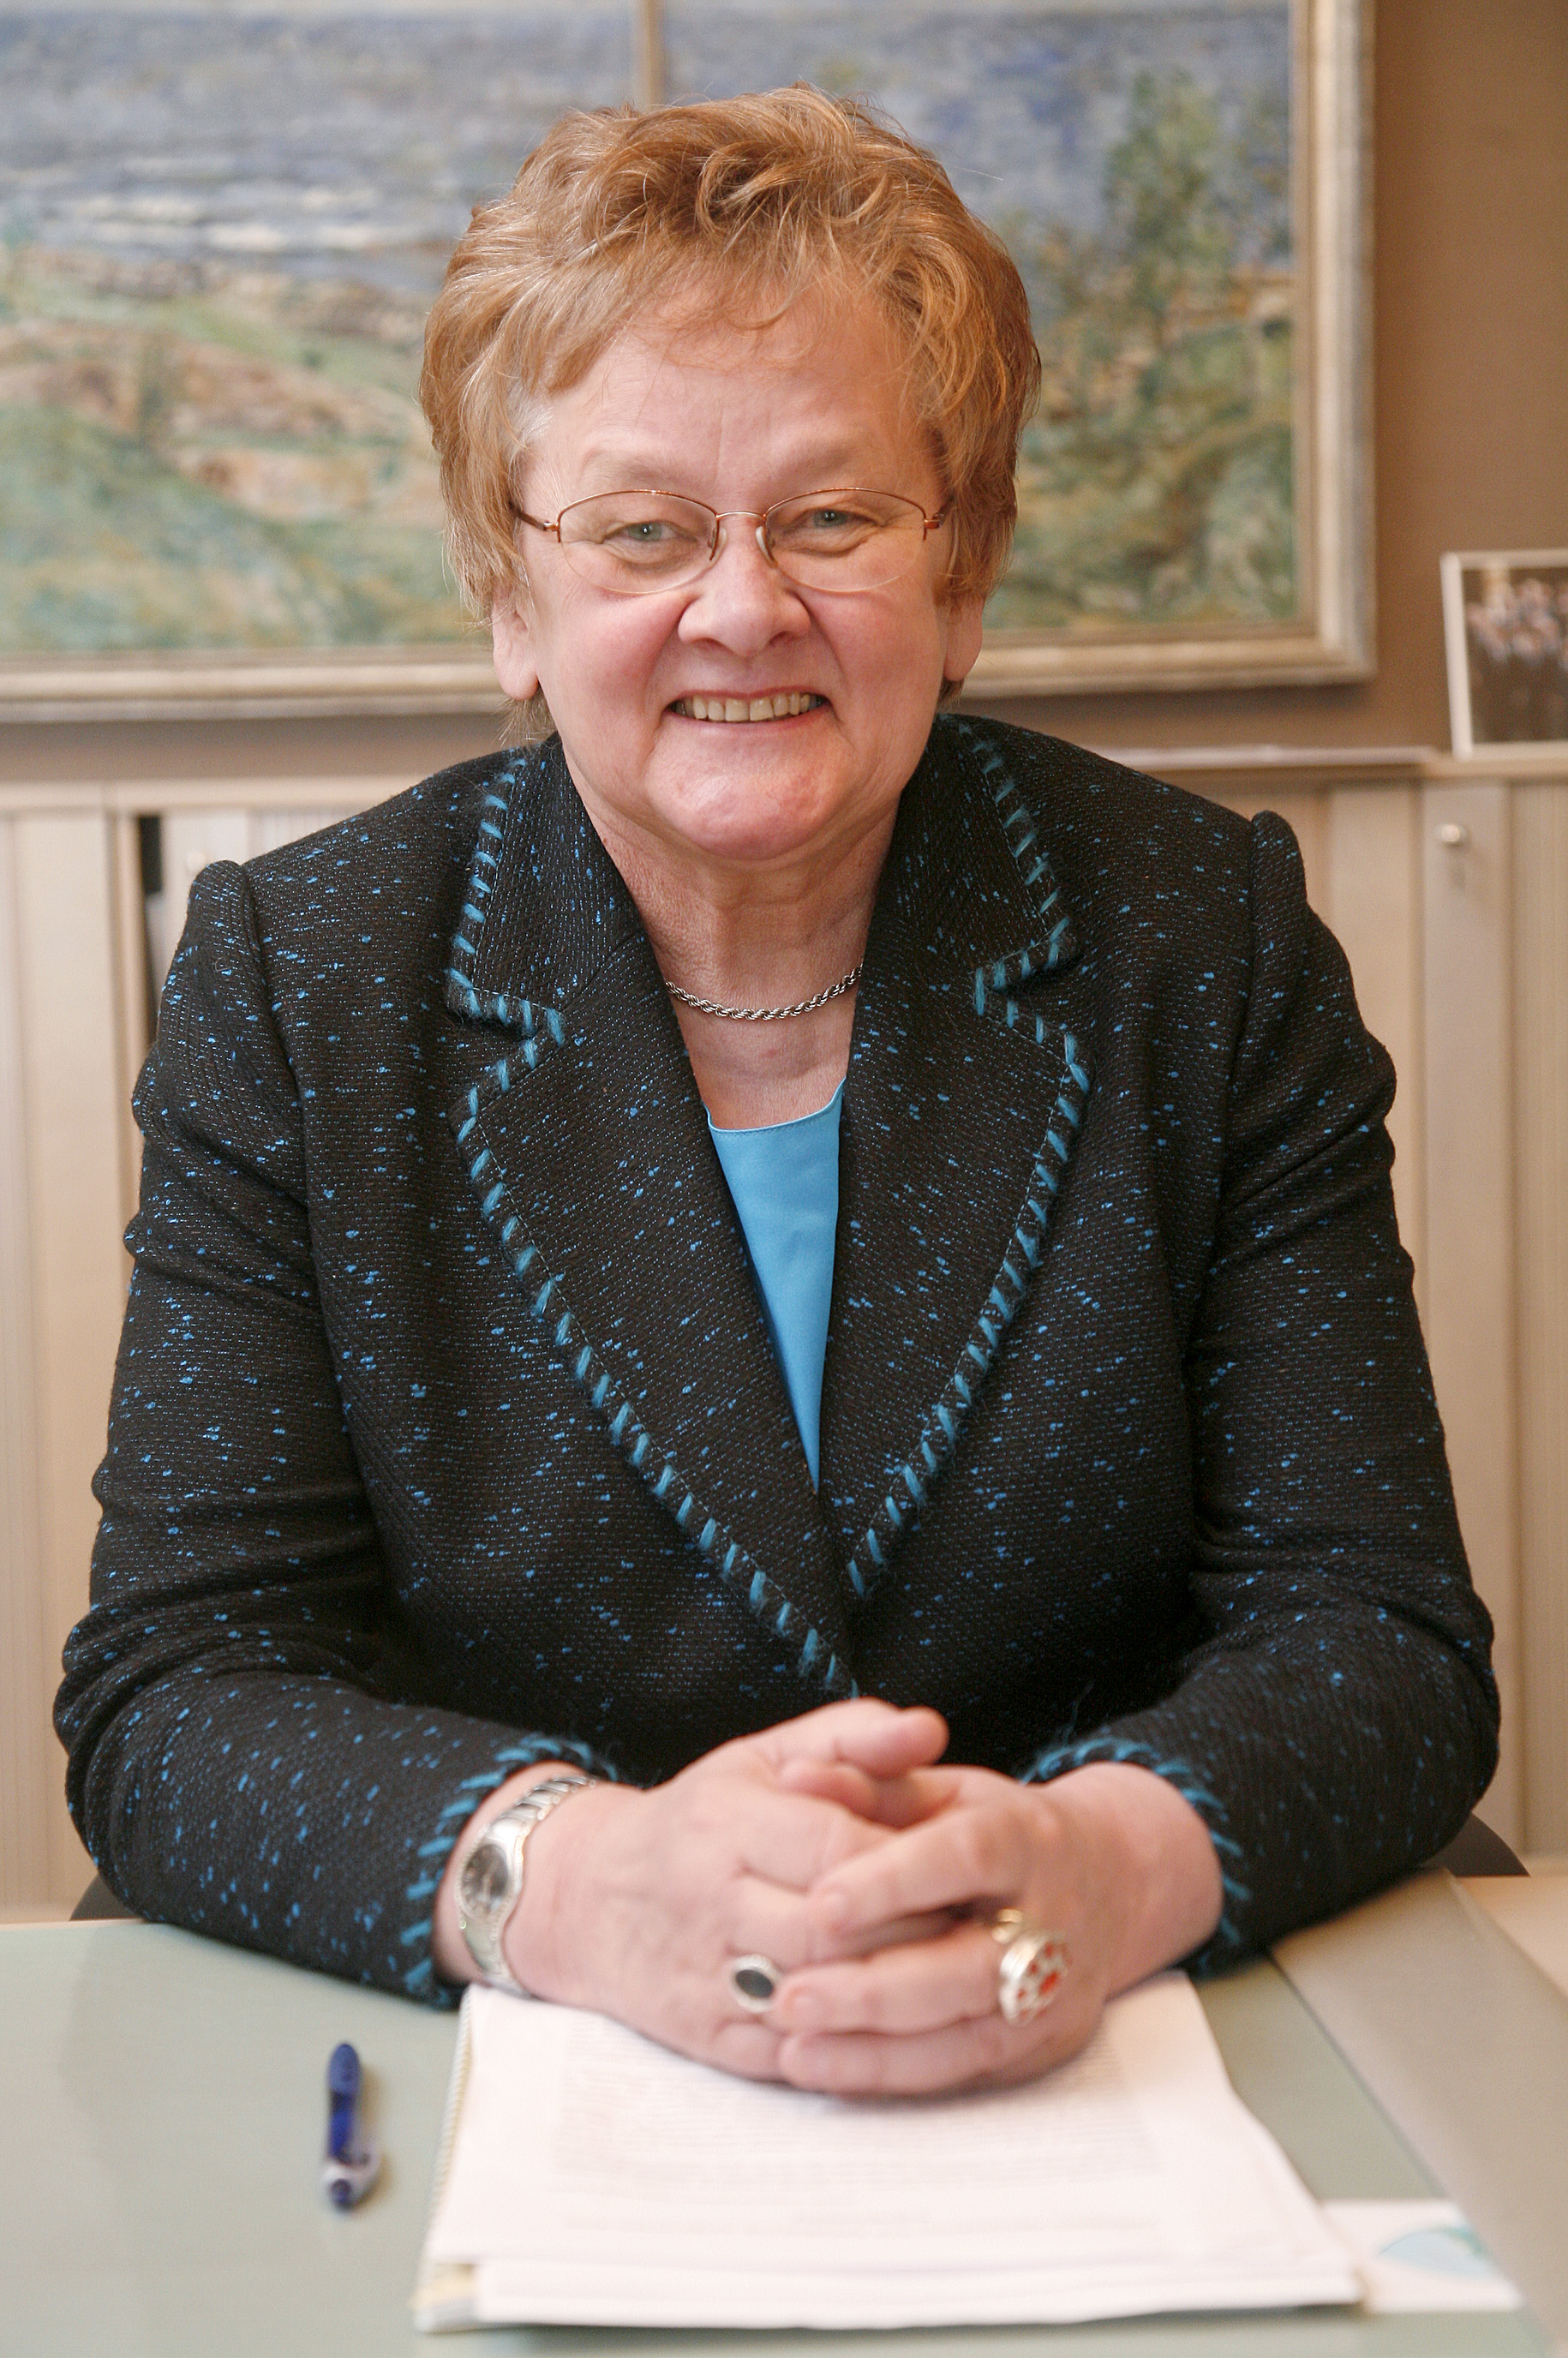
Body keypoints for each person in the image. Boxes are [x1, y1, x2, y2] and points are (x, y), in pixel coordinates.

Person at [57, 88, 1497, 2098]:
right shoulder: (307, 981)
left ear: (963, 573)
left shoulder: (1199, 938)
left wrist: (1095, 1861)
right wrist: (580, 1880)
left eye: (830, 518)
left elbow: (1375, 1629)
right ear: (511, 597)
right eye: (645, 530)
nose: (741, 606)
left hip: (1101, 2032)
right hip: (530, 2049)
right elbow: (178, 1691)